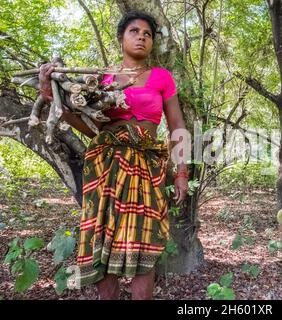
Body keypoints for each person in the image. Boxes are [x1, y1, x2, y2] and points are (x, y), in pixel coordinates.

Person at [39, 11, 188, 300]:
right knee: (101, 241)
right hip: (105, 165)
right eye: (134, 31)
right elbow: (91, 127)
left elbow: (177, 126)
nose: (141, 37)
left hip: (147, 166)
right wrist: (50, 96)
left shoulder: (162, 78)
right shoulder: (100, 78)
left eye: (147, 34)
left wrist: (182, 172)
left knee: (145, 243)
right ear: (121, 38)